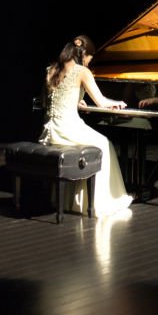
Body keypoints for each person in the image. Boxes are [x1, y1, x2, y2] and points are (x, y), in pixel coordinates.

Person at [38, 35, 135, 217]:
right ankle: (99, 203)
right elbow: (101, 102)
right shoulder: (82, 71)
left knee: (93, 146)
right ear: (84, 54)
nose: (90, 62)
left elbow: (47, 101)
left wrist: (77, 102)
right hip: (68, 128)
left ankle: (71, 202)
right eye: (91, 57)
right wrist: (117, 103)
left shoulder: (51, 69)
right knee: (104, 145)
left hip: (49, 130)